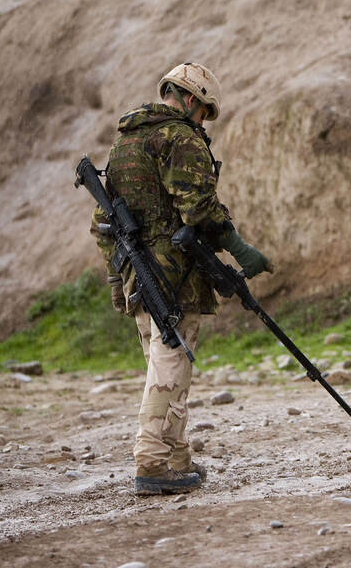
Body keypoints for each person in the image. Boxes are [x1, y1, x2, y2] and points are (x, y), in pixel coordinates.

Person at [91, 62, 273, 496]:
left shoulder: (125, 143)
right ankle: (152, 461)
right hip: (175, 272)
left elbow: (102, 222)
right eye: (204, 113)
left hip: (136, 271)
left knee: (167, 367)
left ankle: (176, 457)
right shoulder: (181, 138)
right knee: (170, 365)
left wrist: (117, 279)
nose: (203, 123)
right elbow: (200, 210)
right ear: (191, 99)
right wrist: (240, 249)